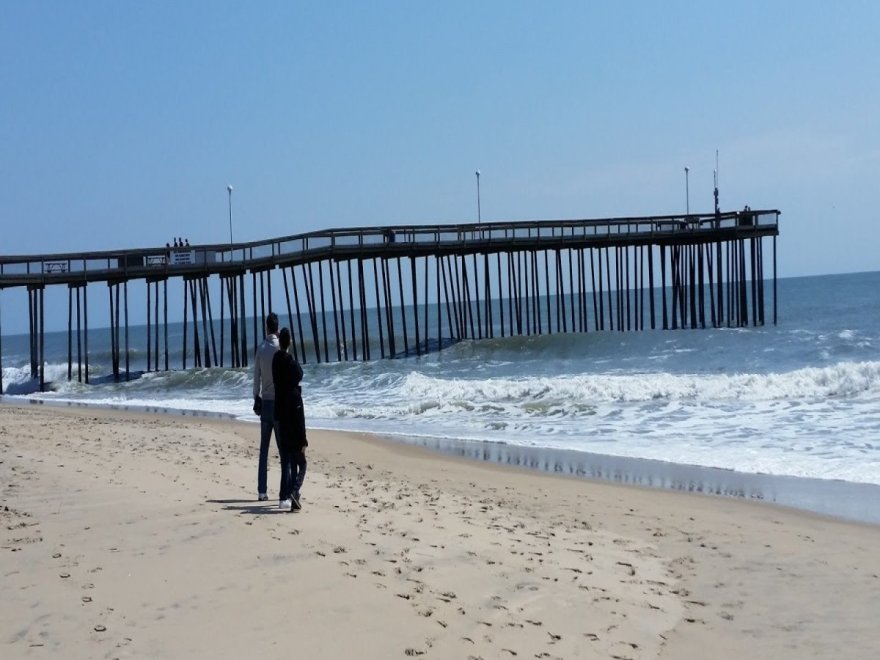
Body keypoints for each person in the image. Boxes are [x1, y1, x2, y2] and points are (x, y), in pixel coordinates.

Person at [272, 327, 308, 511]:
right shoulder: (295, 393)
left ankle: (285, 496)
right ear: (290, 342)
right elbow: (299, 372)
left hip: (278, 413)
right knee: (298, 460)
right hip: (290, 417)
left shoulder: (276, 360)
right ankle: (293, 493)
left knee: (285, 457)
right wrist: (304, 440)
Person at [252, 312, 280, 501]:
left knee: (264, 449)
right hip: (279, 404)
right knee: (283, 449)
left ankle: (262, 490)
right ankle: (284, 493)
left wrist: (256, 397)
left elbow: (256, 379)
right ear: (277, 328)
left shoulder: (261, 349)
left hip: (266, 403)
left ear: (266, 327)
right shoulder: (281, 348)